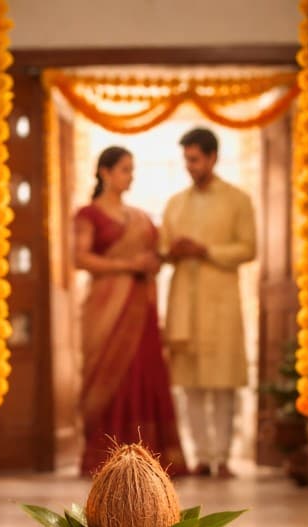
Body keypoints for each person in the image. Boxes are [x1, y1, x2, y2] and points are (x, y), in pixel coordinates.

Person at [73, 146, 187, 477]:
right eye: (124, 169)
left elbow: (154, 254)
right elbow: (80, 258)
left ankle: (150, 456)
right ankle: (105, 454)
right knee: (109, 376)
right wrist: (128, 265)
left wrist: (157, 260)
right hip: (106, 309)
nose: (130, 175)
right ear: (104, 172)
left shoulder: (140, 217)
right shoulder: (88, 215)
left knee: (144, 372)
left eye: (132, 169)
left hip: (141, 307)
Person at [160, 127, 256, 478]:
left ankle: (223, 457)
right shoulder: (176, 203)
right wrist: (173, 251)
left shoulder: (237, 200)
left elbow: (248, 248)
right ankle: (201, 456)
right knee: (192, 383)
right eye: (186, 159)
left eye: (195, 159)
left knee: (224, 382)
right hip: (184, 300)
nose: (190, 166)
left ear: (213, 157)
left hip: (221, 301)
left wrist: (207, 250)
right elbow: (162, 247)